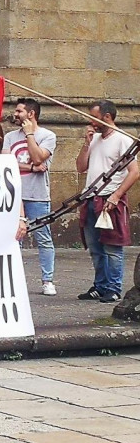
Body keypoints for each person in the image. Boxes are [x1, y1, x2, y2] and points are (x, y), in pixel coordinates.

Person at [75, 100, 140, 304]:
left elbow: (134, 172)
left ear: (107, 117)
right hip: (91, 197)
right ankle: (100, 285)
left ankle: (113, 288)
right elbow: (80, 167)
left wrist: (117, 195)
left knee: (112, 247)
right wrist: (86, 144)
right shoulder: (94, 139)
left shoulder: (122, 139)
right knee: (95, 247)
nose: (91, 121)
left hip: (110, 198)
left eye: (94, 117)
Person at [4, 98, 58, 296]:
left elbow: (38, 157)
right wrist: (31, 168)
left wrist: (29, 135)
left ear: (31, 114)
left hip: (37, 196)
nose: (15, 114)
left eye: (19, 111)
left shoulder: (48, 136)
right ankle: (15, 280)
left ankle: (47, 280)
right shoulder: (10, 136)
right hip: (14, 195)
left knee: (43, 239)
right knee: (14, 239)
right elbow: (6, 163)